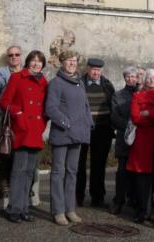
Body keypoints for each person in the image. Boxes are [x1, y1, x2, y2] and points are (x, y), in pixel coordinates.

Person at [0, 50, 48, 223]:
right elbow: (4, 101)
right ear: (28, 62)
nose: (36, 64)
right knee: (19, 170)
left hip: (35, 131)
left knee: (30, 172)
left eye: (39, 61)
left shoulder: (44, 82)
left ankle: (24, 208)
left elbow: (46, 107)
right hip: (21, 131)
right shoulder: (17, 78)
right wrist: (18, 114)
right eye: (33, 61)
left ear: (43, 65)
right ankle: (14, 208)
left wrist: (42, 123)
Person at [45, 50, 92, 226]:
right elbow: (51, 108)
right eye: (69, 60)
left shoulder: (79, 83)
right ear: (61, 63)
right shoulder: (56, 83)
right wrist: (66, 123)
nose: (72, 63)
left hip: (78, 135)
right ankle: (58, 211)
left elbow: (85, 107)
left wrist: (88, 123)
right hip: (62, 134)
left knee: (72, 172)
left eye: (74, 60)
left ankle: (70, 208)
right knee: (58, 172)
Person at [127, 69, 154, 224]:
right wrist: (151, 114)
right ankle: (143, 211)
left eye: (153, 77)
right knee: (143, 180)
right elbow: (136, 117)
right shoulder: (137, 95)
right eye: (148, 77)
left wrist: (147, 113)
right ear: (144, 80)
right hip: (142, 143)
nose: (150, 80)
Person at [77, 57, 115, 207]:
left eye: (98, 70)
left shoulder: (107, 85)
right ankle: (78, 195)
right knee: (79, 165)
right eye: (93, 69)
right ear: (87, 69)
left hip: (102, 130)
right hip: (83, 129)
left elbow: (113, 105)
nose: (96, 73)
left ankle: (97, 196)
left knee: (99, 165)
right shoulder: (79, 84)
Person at [109, 66, 140, 214]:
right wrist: (129, 127)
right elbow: (114, 117)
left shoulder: (142, 93)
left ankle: (135, 199)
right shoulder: (118, 95)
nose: (131, 79)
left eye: (133, 76)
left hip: (141, 138)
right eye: (128, 76)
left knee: (138, 171)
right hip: (124, 138)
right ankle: (119, 200)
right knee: (122, 172)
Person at [0, 45, 23, 113]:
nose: (14, 57)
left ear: (20, 56)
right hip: (7, 115)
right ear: (7, 58)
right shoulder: (0, 76)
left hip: (24, 114)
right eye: (11, 55)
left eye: (17, 54)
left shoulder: (28, 73)